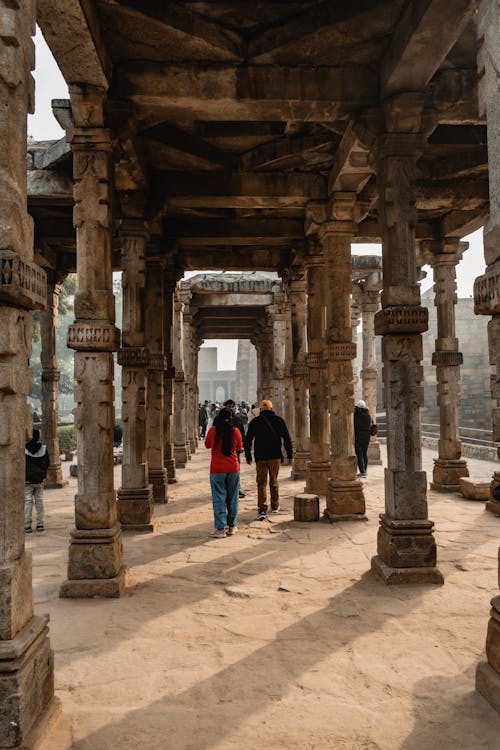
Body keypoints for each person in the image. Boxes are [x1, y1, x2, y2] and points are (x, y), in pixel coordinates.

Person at [244, 399, 293, 520]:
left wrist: (248, 456)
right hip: (275, 456)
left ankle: (262, 508)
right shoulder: (279, 420)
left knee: (261, 483)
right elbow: (287, 439)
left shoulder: (255, 421)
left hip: (260, 456)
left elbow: (248, 440)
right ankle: (275, 506)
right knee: (274, 481)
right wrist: (289, 455)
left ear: (260, 409)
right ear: (271, 409)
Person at [205, 407, 243, 538]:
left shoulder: (213, 431)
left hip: (217, 469)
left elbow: (207, 445)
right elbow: (239, 447)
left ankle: (220, 529)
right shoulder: (235, 431)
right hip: (233, 467)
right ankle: (232, 527)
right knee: (233, 498)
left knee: (219, 498)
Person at [25, 429, 50, 533]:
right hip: (39, 479)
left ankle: (27, 525)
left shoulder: (24, 449)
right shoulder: (43, 448)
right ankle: (40, 524)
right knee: (39, 501)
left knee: (27, 501)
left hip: (27, 480)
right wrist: (43, 474)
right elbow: (47, 463)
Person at [224, 399, 246, 498]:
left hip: (235, 449)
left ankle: (237, 488)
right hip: (223, 448)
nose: (231, 408)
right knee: (224, 470)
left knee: (236, 469)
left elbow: (242, 434)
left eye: (232, 406)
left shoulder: (237, 419)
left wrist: (242, 445)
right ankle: (226, 488)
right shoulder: (220, 419)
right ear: (225, 407)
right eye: (229, 406)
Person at [354, 399, 372, 478]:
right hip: (367, 437)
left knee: (359, 454)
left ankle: (362, 471)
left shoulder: (356, 415)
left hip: (359, 436)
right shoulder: (368, 415)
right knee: (364, 453)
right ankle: (365, 470)